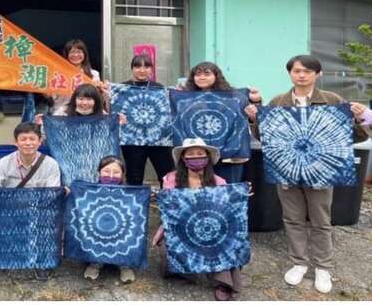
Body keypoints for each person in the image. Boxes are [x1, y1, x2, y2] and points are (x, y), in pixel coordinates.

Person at [245, 54, 368, 295]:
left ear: (317, 74)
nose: (301, 75)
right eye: (297, 71)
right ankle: (298, 262)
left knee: (321, 219)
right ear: (290, 74)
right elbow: (266, 137)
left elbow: (357, 137)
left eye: (307, 71)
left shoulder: (332, 100)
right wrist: (254, 120)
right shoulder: (279, 101)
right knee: (292, 218)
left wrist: (359, 117)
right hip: (286, 169)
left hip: (320, 170)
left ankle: (323, 266)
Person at [152, 138, 242, 301]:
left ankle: (223, 282)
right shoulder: (171, 179)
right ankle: (183, 270)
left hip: (209, 227)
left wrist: (239, 197)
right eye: (191, 154)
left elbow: (226, 212)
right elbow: (168, 211)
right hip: (178, 226)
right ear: (183, 159)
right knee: (170, 254)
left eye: (200, 154)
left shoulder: (219, 182)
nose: (195, 157)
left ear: (207, 158)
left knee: (224, 241)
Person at [0, 122, 61, 280]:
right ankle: (5, 256)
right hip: (10, 209)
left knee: (50, 222)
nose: (28, 143)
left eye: (32, 139)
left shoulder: (51, 164)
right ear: (15, 142)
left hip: (39, 210)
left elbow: (52, 194)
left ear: (40, 141)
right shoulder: (4, 162)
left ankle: (42, 262)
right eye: (23, 139)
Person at [177, 61, 262, 183]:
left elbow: (254, 118)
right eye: (198, 74)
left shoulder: (235, 96)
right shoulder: (185, 99)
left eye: (207, 73)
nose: (201, 77)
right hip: (198, 157)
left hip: (230, 156)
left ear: (216, 76)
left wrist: (256, 101)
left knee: (227, 193)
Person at [118, 54, 174, 187]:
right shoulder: (121, 89)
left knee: (167, 175)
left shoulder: (159, 88)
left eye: (146, 66)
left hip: (159, 140)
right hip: (132, 140)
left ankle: (169, 205)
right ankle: (136, 206)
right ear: (132, 68)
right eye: (137, 66)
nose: (142, 70)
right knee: (134, 177)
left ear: (151, 69)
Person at [82, 156, 136, 284]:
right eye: (106, 171)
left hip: (120, 233)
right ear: (99, 172)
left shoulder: (131, 195)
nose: (111, 175)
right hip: (97, 231)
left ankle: (124, 264)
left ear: (123, 174)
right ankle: (95, 262)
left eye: (116, 172)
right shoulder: (89, 192)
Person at [50, 39, 105, 114]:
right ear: (66, 55)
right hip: (62, 113)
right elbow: (52, 97)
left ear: (84, 54)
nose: (76, 55)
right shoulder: (58, 74)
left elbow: (97, 98)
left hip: (86, 114)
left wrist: (101, 90)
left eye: (79, 52)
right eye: (72, 52)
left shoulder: (94, 74)